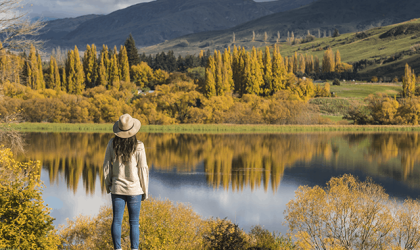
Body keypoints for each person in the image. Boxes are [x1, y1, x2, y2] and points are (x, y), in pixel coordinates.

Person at [103, 114, 149, 250]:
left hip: (117, 189)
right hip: (135, 190)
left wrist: (108, 185)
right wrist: (145, 191)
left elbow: (106, 166)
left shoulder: (112, 143)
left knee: (116, 221)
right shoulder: (139, 145)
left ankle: (118, 249)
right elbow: (143, 170)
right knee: (134, 223)